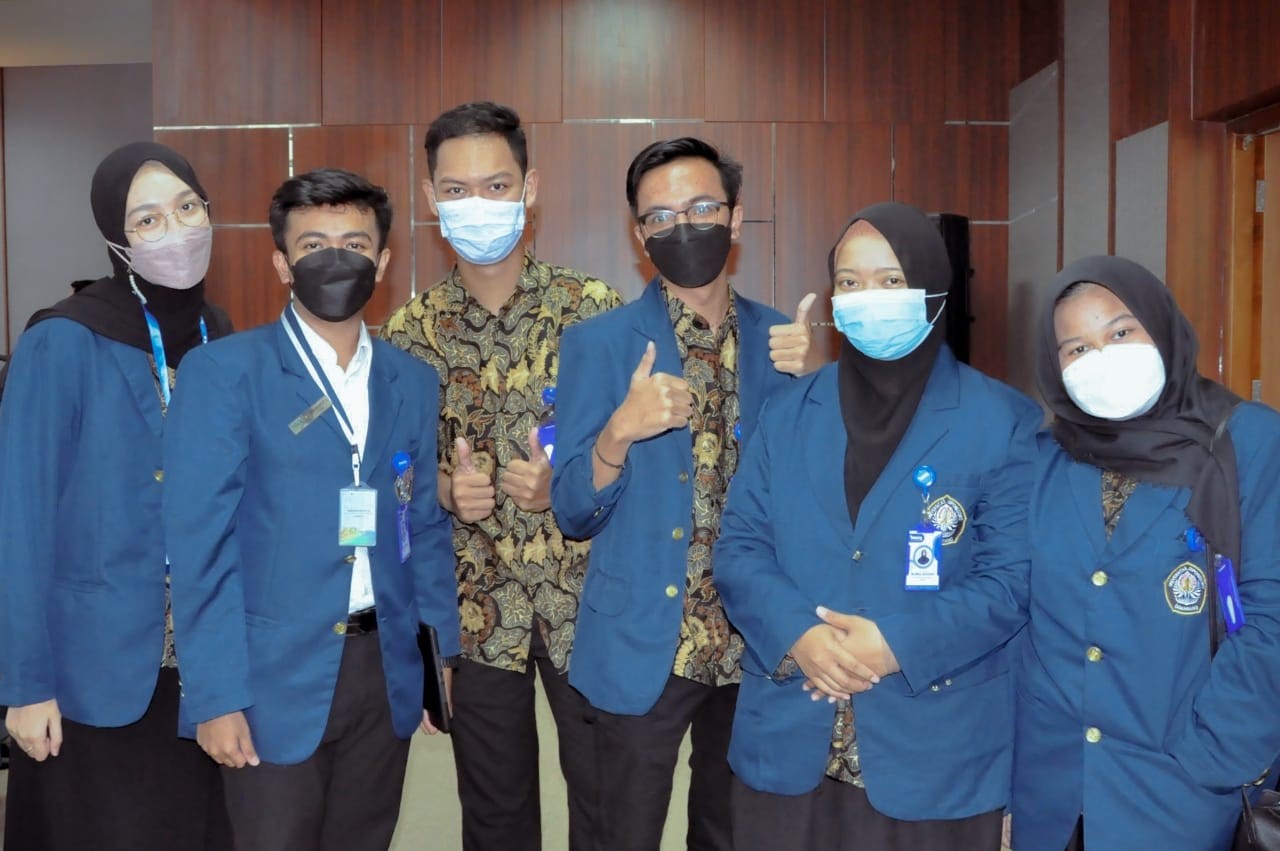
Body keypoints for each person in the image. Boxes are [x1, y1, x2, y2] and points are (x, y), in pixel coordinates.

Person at [713, 202, 1041, 851]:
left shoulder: (1002, 419)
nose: (869, 297)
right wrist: (799, 633)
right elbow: (740, 548)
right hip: (788, 739)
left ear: (933, 288)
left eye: (891, 280)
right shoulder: (787, 413)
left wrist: (896, 644)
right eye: (851, 281)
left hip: (937, 756)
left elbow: (1012, 580)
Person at [162, 168, 460, 850]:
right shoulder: (224, 373)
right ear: (282, 263)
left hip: (383, 665)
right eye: (313, 244)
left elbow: (423, 527)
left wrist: (437, 652)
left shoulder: (412, 380)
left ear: (383, 261)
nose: (336, 258)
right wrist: (214, 695)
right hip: (268, 677)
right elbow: (199, 547)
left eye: (355, 244)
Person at [550, 136, 817, 851]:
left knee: (731, 835)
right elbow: (571, 508)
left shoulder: (783, 342)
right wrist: (617, 433)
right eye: (660, 216)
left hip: (752, 643)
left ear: (735, 218)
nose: (684, 227)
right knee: (618, 834)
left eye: (702, 208)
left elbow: (820, 492)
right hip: (642, 644)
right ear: (640, 236)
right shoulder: (599, 344)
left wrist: (818, 380)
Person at [379, 101, 621, 851]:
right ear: (430, 198)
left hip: (588, 606)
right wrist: (444, 492)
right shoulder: (406, 335)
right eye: (456, 190)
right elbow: (392, 482)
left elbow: (638, 459)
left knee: (608, 805)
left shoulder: (594, 313)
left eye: (496, 185)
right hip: (474, 613)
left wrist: (566, 487)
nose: (476, 204)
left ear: (529, 187)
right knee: (494, 818)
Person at [0, 141, 233, 850]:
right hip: (94, 673)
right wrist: (24, 684)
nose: (175, 230)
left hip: (201, 672)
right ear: (116, 237)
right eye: (147, 219)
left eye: (187, 208)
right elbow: (19, 522)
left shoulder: (219, 335)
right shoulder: (63, 341)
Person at [1011, 256, 1280, 851]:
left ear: (1161, 325)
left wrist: (1213, 754)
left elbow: (1273, 619)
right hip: (1052, 794)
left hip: (1184, 794)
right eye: (1076, 348)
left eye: (1121, 332)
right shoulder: (1043, 458)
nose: (1101, 357)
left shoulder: (1252, 442)